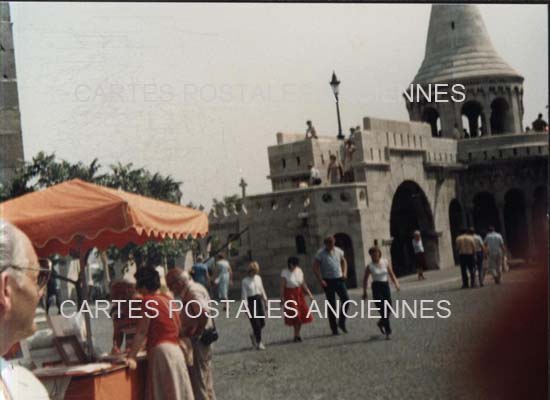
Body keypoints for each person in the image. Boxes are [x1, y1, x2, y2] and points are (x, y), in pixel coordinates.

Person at [126, 266, 194, 400]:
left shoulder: (148, 301)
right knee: (178, 392)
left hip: (162, 352)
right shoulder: (168, 299)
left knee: (164, 393)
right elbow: (177, 327)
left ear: (142, 286)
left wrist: (132, 356)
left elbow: (141, 332)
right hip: (176, 350)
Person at [0, 220, 50, 399]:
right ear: (5, 288)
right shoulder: (26, 388)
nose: (41, 292)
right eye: (37, 278)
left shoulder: (23, 384)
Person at [166, 269, 217, 400]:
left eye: (171, 286)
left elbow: (203, 313)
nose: (171, 290)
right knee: (206, 380)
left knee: (199, 382)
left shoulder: (193, 292)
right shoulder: (194, 289)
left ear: (178, 283)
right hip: (202, 339)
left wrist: (197, 332)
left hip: (199, 341)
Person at [312, 235, 350, 335]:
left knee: (346, 300)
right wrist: (320, 280)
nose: (331, 246)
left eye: (332, 244)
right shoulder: (320, 253)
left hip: (339, 278)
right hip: (328, 281)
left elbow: (343, 261)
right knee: (332, 304)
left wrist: (344, 272)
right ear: (326, 244)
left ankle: (341, 322)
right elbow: (315, 267)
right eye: (329, 244)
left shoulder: (338, 251)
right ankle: (334, 328)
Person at [362, 247, 400, 339]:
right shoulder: (369, 266)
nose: (375, 255)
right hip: (376, 287)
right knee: (383, 309)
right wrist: (365, 292)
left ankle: (380, 323)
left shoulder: (385, 262)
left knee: (389, 307)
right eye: (372, 254)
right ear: (370, 255)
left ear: (379, 253)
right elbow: (365, 280)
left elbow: (391, 274)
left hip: (385, 286)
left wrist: (396, 283)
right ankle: (388, 331)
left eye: (376, 253)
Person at [280, 256, 314, 342]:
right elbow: (282, 286)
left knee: (302, 314)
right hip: (290, 294)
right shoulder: (285, 272)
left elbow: (303, 283)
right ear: (290, 264)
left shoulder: (299, 270)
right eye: (293, 265)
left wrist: (310, 294)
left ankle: (297, 335)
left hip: (299, 294)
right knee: (295, 314)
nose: (294, 267)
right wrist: (281, 298)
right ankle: (296, 335)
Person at [241, 262, 268, 350]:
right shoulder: (245, 281)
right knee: (255, 323)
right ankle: (259, 342)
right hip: (251, 302)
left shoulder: (258, 278)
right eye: (253, 271)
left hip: (258, 299)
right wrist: (245, 306)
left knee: (262, 323)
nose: (255, 273)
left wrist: (265, 300)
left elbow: (262, 289)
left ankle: (254, 335)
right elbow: (244, 295)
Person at [110, 279, 140, 354]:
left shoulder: (141, 305)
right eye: (117, 295)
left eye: (124, 294)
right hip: (129, 351)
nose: (120, 297)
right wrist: (115, 348)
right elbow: (118, 334)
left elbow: (146, 332)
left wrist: (135, 348)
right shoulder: (116, 310)